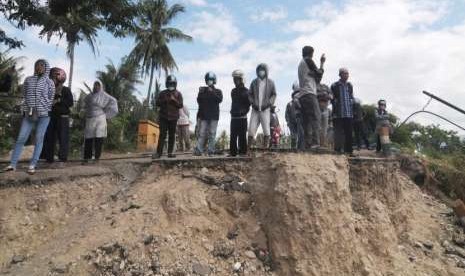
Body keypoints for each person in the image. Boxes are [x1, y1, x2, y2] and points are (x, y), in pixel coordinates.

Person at [2, 59, 55, 174]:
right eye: (37, 65)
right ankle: (13, 164)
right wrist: (26, 109)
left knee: (39, 138)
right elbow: (25, 95)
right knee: (21, 138)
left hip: (44, 115)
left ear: (46, 67)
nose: (39, 67)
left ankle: (32, 165)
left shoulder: (50, 82)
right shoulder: (28, 80)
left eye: (41, 65)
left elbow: (51, 98)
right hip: (29, 113)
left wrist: (43, 107)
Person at [41, 68, 74, 164]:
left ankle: (62, 158)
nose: (54, 80)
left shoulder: (66, 90)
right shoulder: (49, 90)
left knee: (63, 138)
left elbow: (70, 103)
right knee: (50, 137)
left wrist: (59, 100)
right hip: (51, 116)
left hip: (63, 117)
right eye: (53, 78)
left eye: (56, 78)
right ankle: (49, 158)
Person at [296, 46, 325, 149]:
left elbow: (317, 78)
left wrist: (316, 73)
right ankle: (315, 143)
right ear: (311, 53)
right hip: (309, 94)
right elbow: (319, 73)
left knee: (307, 121)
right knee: (316, 117)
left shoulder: (301, 64)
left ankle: (307, 144)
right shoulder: (308, 60)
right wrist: (322, 63)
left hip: (302, 95)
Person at [82, 81, 118, 163]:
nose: (96, 87)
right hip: (90, 119)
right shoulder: (89, 97)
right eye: (95, 85)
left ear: (100, 86)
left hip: (100, 119)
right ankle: (86, 158)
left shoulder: (104, 95)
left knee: (99, 138)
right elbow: (84, 105)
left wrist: (107, 113)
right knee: (88, 139)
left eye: (98, 85)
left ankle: (96, 158)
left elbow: (113, 101)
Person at [153, 75, 183, 159]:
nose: (171, 86)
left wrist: (174, 100)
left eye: (173, 84)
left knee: (171, 135)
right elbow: (157, 103)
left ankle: (170, 153)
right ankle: (158, 153)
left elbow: (181, 105)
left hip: (173, 118)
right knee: (162, 135)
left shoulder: (178, 94)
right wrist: (164, 100)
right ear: (167, 84)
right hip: (163, 117)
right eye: (170, 84)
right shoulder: (162, 93)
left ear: (175, 84)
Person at [248, 63, 277, 149]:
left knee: (266, 128)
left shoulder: (271, 82)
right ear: (257, 71)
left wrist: (269, 104)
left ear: (266, 71)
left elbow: (274, 94)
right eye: (260, 70)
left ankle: (266, 147)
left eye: (263, 70)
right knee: (251, 129)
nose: (261, 72)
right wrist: (253, 103)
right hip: (255, 109)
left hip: (265, 109)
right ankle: (248, 148)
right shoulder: (254, 82)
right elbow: (249, 94)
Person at [194, 72, 223, 156]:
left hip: (214, 116)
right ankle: (199, 150)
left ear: (214, 81)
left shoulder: (218, 91)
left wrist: (212, 92)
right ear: (206, 81)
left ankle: (211, 150)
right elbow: (199, 101)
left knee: (212, 133)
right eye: (208, 80)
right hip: (204, 116)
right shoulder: (203, 90)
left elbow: (219, 100)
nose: (209, 81)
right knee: (202, 133)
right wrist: (200, 93)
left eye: (211, 80)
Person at [331, 68, 354, 155]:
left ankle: (349, 151)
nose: (347, 75)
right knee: (338, 133)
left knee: (349, 133)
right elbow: (332, 99)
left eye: (347, 74)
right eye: (345, 74)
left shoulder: (350, 85)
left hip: (348, 113)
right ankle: (338, 150)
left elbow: (351, 97)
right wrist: (335, 103)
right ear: (340, 74)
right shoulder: (334, 85)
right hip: (338, 114)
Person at [229, 69, 250, 157]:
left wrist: (243, 112)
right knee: (233, 136)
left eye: (237, 79)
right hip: (234, 117)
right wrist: (233, 112)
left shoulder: (246, 91)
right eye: (234, 79)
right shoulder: (233, 91)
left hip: (242, 118)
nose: (235, 81)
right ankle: (233, 153)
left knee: (242, 136)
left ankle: (243, 153)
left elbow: (248, 105)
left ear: (241, 79)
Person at [285, 81, 305, 150]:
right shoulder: (289, 104)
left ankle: (301, 148)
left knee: (301, 134)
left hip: (299, 120)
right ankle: (293, 148)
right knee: (293, 136)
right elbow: (286, 114)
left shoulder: (302, 101)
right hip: (292, 122)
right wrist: (288, 121)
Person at [317, 83, 332, 148]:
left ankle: (323, 144)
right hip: (317, 108)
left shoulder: (326, 87)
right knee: (318, 128)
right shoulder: (314, 86)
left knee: (325, 128)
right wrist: (322, 95)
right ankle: (318, 144)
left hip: (325, 108)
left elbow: (331, 96)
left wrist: (326, 96)